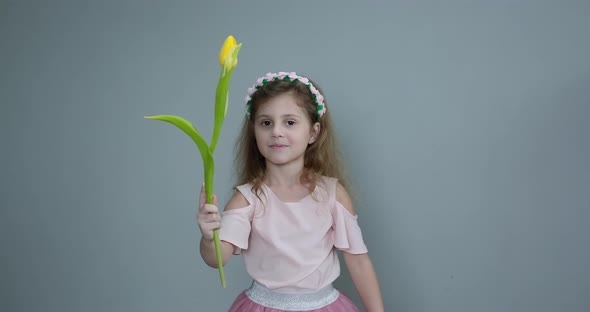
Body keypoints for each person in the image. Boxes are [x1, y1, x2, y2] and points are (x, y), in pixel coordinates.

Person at [197, 71, 384, 311]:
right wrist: (207, 236)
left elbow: (358, 261)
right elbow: (217, 259)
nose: (276, 131)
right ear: (254, 132)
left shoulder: (332, 194)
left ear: (313, 132)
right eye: (266, 123)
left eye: (290, 122)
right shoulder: (246, 200)